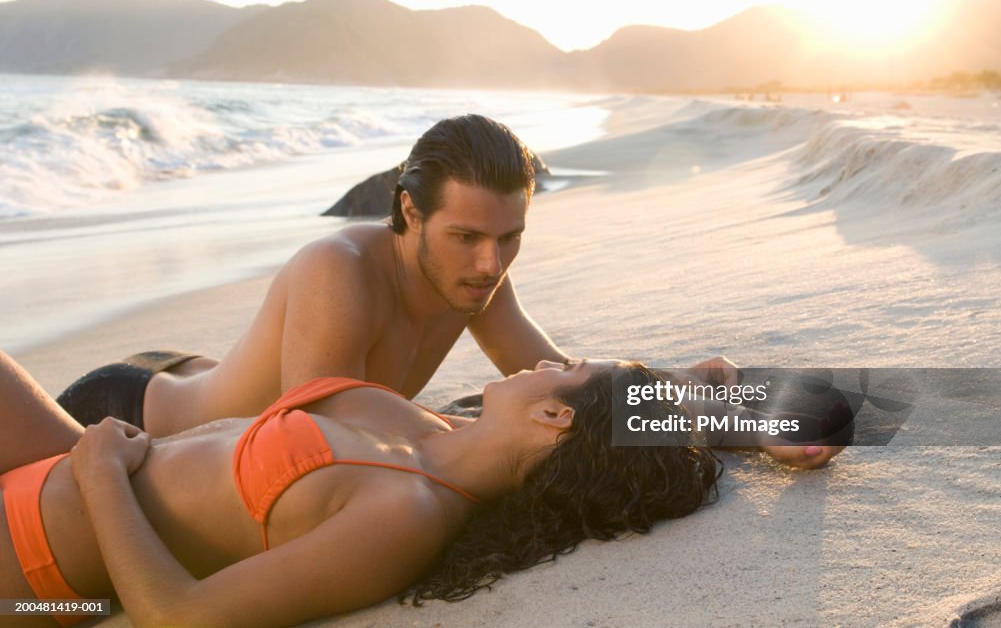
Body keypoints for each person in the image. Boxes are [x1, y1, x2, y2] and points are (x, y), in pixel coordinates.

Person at [55, 114, 841, 471]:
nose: (489, 263)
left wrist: (734, 417)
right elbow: (310, 445)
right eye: (466, 236)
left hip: (195, 372)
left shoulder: (478, 277)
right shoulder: (340, 270)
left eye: (510, 238)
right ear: (408, 212)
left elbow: (566, 379)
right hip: (125, 410)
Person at [0, 351, 718, 627]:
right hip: (60, 458)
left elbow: (175, 616)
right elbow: (630, 427)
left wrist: (98, 477)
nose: (548, 355)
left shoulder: (403, 515)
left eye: (569, 363)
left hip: (33, 557)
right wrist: (738, 408)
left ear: (555, 415)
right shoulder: (438, 428)